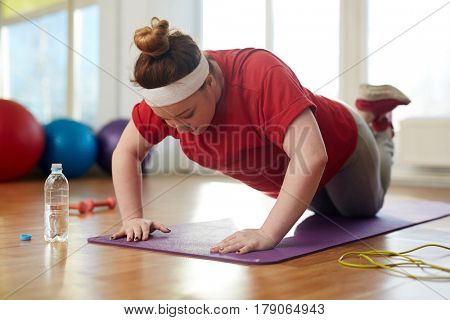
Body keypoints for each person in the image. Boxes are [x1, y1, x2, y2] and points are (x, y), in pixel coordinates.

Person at [110, 17, 410, 255]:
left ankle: (377, 126)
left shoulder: (260, 73)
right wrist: (132, 218)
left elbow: (312, 156)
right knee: (329, 215)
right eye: (168, 120)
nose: (177, 128)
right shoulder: (168, 101)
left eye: (187, 116)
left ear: (210, 83)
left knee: (358, 211)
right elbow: (126, 152)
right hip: (303, 174)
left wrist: (268, 233)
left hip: (345, 145)